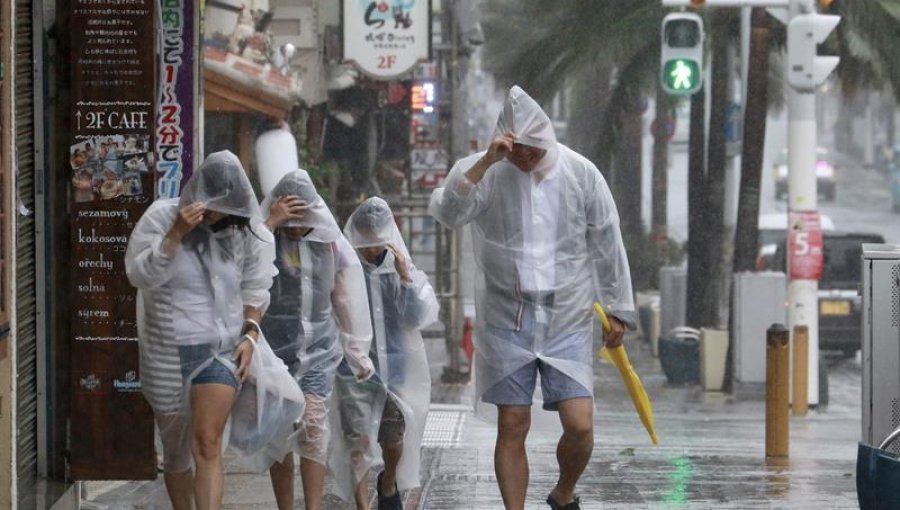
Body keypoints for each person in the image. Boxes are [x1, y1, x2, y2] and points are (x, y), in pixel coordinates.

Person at [428, 86, 636, 510]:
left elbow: (607, 239)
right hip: (507, 318)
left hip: (568, 317)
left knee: (580, 426)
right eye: (516, 149)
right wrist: (487, 161)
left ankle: (563, 492)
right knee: (512, 423)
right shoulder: (488, 172)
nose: (524, 157)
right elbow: (448, 212)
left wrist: (618, 309)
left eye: (532, 149)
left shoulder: (581, 174)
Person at [125, 150, 282, 510]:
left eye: (227, 208)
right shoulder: (162, 217)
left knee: (208, 442)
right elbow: (139, 275)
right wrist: (176, 234)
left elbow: (256, 289)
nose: (217, 215)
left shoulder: (245, 231)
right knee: (177, 453)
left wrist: (251, 332)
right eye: (212, 205)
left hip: (219, 352)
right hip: (166, 353)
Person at [260, 170, 376, 510]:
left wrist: (355, 347)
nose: (297, 229)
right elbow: (245, 264)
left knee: (313, 429)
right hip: (272, 352)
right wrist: (270, 224)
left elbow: (343, 294)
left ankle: (312, 506)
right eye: (291, 220)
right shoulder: (266, 237)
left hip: (319, 350)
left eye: (303, 219)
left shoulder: (331, 243)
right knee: (278, 434)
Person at [332, 197, 437, 510]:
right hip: (352, 367)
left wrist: (407, 280)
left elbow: (419, 316)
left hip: (394, 368)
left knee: (393, 441)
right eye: (367, 242)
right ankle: (364, 505)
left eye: (378, 242)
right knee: (358, 441)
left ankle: (388, 479)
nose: (372, 251)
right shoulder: (344, 264)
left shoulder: (399, 264)